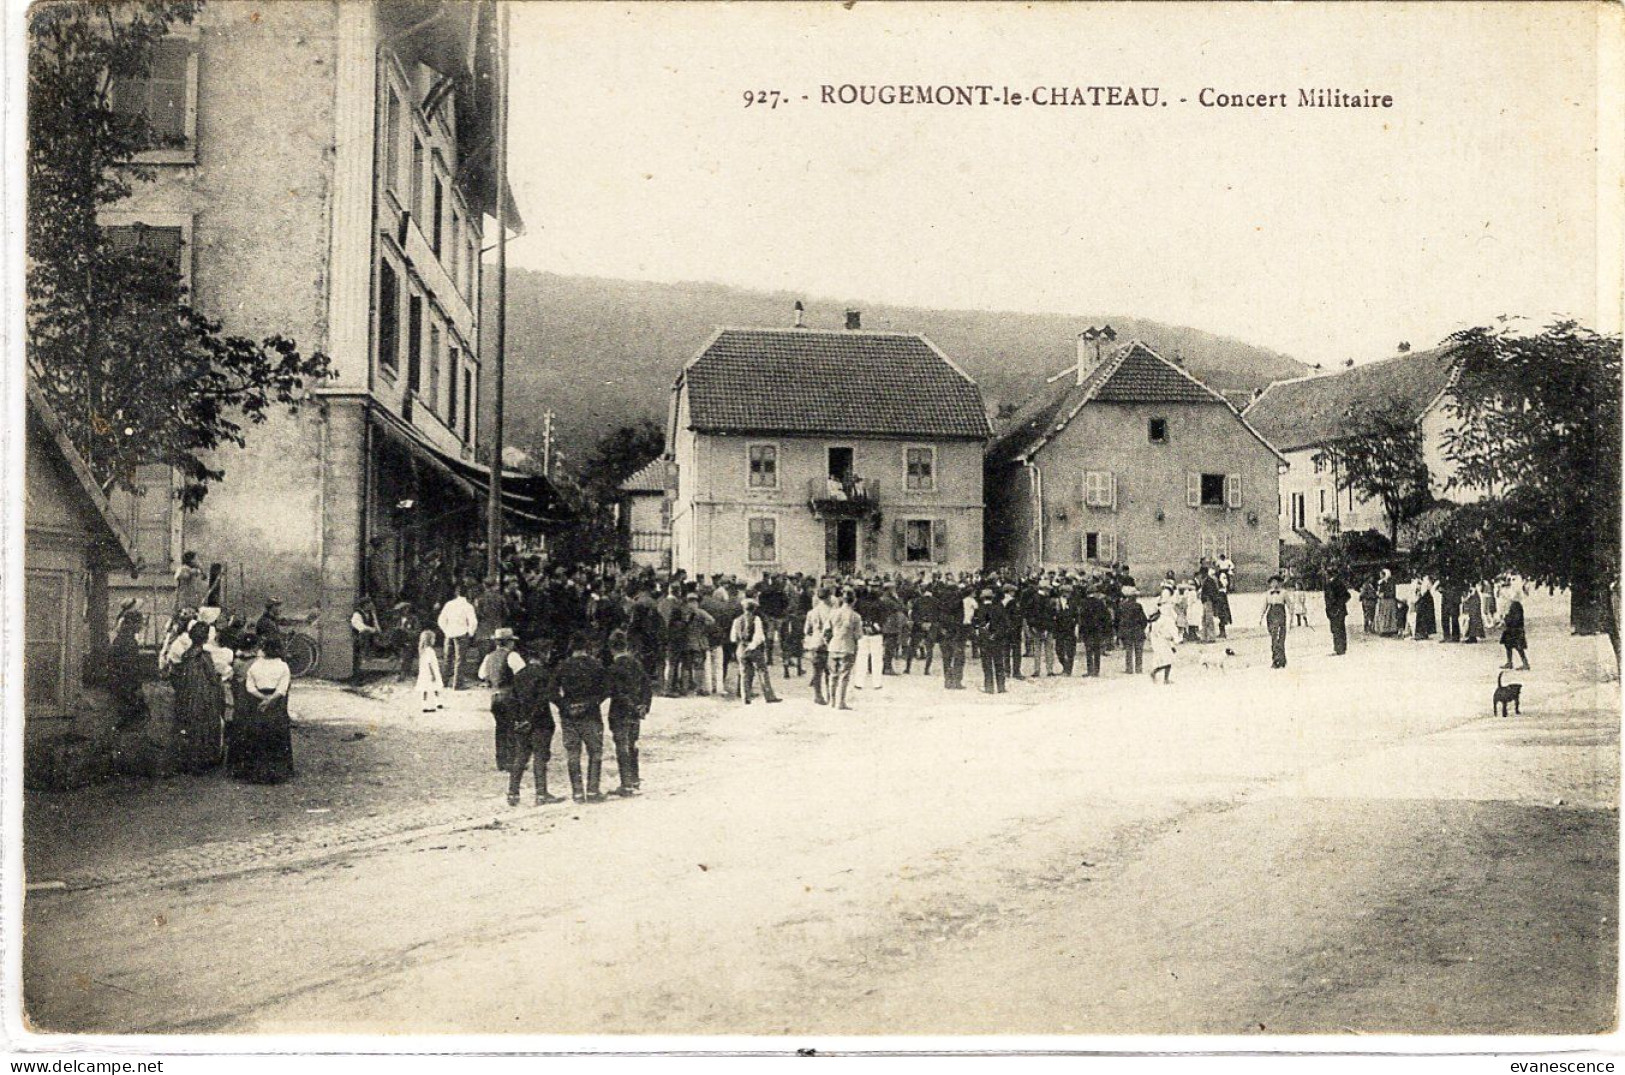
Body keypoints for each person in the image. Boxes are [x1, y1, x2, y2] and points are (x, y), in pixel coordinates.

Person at [550, 631, 609, 803]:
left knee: (573, 754)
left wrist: (565, 706)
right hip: (591, 714)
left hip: (569, 715)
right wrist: (592, 703)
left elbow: (551, 692)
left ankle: (577, 792)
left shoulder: (562, 666)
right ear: (587, 647)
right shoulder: (596, 665)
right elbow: (606, 690)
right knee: (595, 752)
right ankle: (592, 790)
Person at [230, 636, 295, 784]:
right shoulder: (283, 666)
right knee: (276, 735)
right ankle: (276, 773)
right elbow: (282, 689)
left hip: (257, 702)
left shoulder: (255, 666)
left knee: (257, 736)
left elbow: (250, 687)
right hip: (275, 704)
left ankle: (256, 772)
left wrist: (262, 698)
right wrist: (270, 700)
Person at [507, 641, 564, 806]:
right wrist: (564, 707)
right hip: (541, 721)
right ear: (543, 655)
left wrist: (519, 720)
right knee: (540, 757)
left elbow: (512, 700)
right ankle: (541, 793)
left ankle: (513, 793)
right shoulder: (545, 675)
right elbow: (548, 698)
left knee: (520, 757)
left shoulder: (519, 675)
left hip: (521, 721)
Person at [172, 621, 225, 774]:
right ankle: (204, 759)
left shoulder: (186, 654)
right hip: (204, 695)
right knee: (206, 726)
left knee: (191, 725)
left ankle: (190, 759)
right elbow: (212, 678)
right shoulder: (204, 656)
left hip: (188, 694)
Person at [606, 631, 653, 796]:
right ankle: (634, 779)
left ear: (611, 648)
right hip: (636, 713)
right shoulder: (637, 664)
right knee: (632, 744)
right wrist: (644, 706)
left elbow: (616, 692)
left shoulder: (613, 668)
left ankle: (626, 784)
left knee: (622, 747)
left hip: (620, 712)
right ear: (626, 646)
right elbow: (647, 686)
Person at [479, 628, 525, 771]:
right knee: (512, 728)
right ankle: (512, 761)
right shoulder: (513, 656)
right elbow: (523, 673)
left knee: (500, 728)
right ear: (509, 642)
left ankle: (501, 761)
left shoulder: (489, 656)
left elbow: (482, 674)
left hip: (495, 696)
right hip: (510, 695)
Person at [730, 597, 782, 704]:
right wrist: (752, 645)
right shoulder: (756, 619)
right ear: (753, 608)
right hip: (754, 649)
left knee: (744, 672)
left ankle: (745, 697)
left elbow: (733, 638)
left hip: (741, 648)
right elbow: (759, 636)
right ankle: (769, 696)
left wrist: (741, 644)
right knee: (762, 671)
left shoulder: (737, 620)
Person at [107, 610, 149, 729]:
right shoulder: (129, 642)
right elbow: (130, 667)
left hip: (119, 680)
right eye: (140, 623)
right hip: (125, 682)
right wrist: (136, 686)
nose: (141, 626)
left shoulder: (122, 638)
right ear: (133, 624)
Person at [826, 589, 862, 710]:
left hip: (833, 646)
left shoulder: (833, 613)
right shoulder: (855, 616)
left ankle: (832, 701)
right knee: (844, 676)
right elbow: (858, 635)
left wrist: (828, 643)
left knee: (832, 675)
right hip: (848, 647)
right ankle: (840, 702)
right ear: (854, 601)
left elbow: (826, 631)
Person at [437, 587, 478, 690]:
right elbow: (473, 622)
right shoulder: (468, 606)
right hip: (462, 634)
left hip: (449, 634)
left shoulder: (449, 604)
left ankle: (444, 682)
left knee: (447, 659)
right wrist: (470, 633)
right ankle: (457, 684)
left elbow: (441, 619)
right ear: (468, 594)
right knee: (460, 659)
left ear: (456, 593)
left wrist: (446, 630)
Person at [973, 587, 1009, 694]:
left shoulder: (979, 609)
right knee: (999, 663)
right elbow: (1005, 624)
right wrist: (996, 634)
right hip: (997, 639)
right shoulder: (999, 607)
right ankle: (1001, 687)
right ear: (992, 597)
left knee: (987, 664)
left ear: (982, 598)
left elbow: (976, 625)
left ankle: (989, 687)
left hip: (984, 640)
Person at [803, 589, 834, 705]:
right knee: (830, 671)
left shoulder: (811, 612)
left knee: (817, 672)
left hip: (815, 643)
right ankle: (831, 695)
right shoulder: (833, 612)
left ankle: (818, 696)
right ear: (829, 597)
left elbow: (806, 630)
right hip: (829, 643)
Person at [1148, 583, 1180, 684]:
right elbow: (1172, 624)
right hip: (1164, 639)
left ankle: (1161, 676)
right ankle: (1158, 674)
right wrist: (1176, 640)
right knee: (1168, 659)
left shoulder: (1160, 607)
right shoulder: (1167, 610)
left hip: (1159, 638)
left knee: (1166, 659)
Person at [1078, 584, 1111, 677]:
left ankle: (1090, 670)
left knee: (1089, 651)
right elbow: (1106, 616)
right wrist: (1105, 629)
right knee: (1097, 650)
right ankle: (1096, 671)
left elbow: (1081, 618)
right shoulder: (1100, 603)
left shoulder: (1083, 603)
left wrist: (1081, 631)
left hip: (1087, 630)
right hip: (1097, 629)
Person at [1117, 587, 1148, 675]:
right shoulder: (1138, 606)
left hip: (1127, 631)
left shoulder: (1122, 606)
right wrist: (1142, 627)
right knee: (1139, 651)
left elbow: (1119, 620)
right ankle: (1139, 668)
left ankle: (1129, 668)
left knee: (1128, 651)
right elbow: (1144, 619)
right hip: (1138, 630)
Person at [1261, 575, 1289, 668]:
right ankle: (1279, 659)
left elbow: (1290, 605)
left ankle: (1278, 660)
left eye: (1276, 582)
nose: (1274, 584)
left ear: (1279, 583)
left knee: (1280, 637)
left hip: (1280, 613)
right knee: (1273, 637)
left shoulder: (1284, 593)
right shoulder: (1268, 593)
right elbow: (1264, 606)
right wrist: (1261, 617)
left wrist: (1292, 619)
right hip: (1271, 614)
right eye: (1272, 582)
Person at [415, 629, 444, 713]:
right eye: (433, 639)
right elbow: (429, 663)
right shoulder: (429, 651)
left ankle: (435, 702)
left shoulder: (422, 650)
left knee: (427, 689)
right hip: (430, 672)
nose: (434, 640)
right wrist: (433, 674)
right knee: (432, 688)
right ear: (429, 640)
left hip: (424, 673)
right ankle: (429, 705)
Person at [1500, 592, 1530, 670]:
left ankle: (1525, 664)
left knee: (1518, 647)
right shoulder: (1515, 605)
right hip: (1512, 629)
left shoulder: (1515, 605)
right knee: (1508, 646)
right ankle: (1510, 662)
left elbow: (1516, 618)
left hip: (1515, 629)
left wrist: (1506, 619)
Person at [1323, 568, 1350, 656]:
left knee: (1336, 629)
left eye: (1326, 575)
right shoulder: (1339, 583)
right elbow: (1347, 596)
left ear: (1329, 575)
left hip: (1335, 610)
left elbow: (1331, 599)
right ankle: (1342, 648)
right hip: (1339, 610)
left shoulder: (1331, 584)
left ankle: (1339, 649)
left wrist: (1336, 606)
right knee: (1340, 628)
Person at [174, 551, 208, 617]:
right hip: (185, 603)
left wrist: (200, 568)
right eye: (196, 559)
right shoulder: (184, 569)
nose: (198, 561)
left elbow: (204, 577)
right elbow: (182, 575)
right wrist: (191, 571)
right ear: (191, 560)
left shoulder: (196, 571)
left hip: (194, 603)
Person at [1373, 569, 1399, 636]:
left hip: (1389, 601)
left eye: (1382, 574)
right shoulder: (1381, 582)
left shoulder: (1391, 582)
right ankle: (1383, 630)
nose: (1380, 576)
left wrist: (1385, 594)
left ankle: (1391, 630)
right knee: (1383, 615)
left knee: (1389, 615)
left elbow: (1392, 593)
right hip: (1383, 601)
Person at [1439, 579, 1463, 643]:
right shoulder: (1443, 573)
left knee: (1454, 619)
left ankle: (1455, 637)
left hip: (1454, 600)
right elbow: (1441, 587)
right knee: (1444, 618)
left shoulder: (1457, 573)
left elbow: (1460, 586)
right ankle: (1446, 636)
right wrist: (1441, 588)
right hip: (1445, 600)